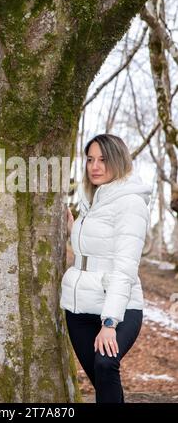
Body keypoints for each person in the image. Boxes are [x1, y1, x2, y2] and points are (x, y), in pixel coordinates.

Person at [60, 133, 152, 403]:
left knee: (105, 365)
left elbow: (124, 267)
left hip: (119, 309)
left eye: (103, 159)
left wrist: (110, 322)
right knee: (103, 382)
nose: (95, 166)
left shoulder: (130, 202)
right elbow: (96, 248)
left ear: (118, 161)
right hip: (79, 308)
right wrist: (73, 229)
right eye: (90, 159)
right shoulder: (95, 199)